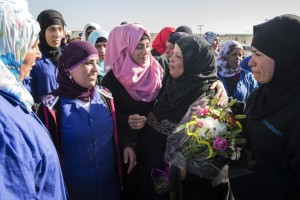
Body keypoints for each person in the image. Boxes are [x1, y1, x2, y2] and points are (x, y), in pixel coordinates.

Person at [135, 35, 228, 200]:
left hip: (181, 189)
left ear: (194, 62)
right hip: (152, 178)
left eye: (178, 56)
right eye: (172, 53)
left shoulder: (209, 98)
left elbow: (216, 157)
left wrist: (184, 171)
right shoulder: (170, 82)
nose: (170, 58)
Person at [37, 41, 121, 199]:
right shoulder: (51, 107)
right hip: (73, 192)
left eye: (97, 62)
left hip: (109, 191)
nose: (96, 69)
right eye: (88, 63)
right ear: (69, 69)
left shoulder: (105, 97)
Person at [0, 0, 67, 199]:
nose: (38, 54)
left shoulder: (12, 101)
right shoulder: (4, 123)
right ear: (11, 45)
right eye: (32, 45)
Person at [230, 14, 300, 200]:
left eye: (258, 54)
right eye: (252, 52)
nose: (250, 61)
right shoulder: (260, 94)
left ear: (285, 56)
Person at [25, 9, 66, 103]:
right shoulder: (33, 58)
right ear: (42, 31)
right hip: (43, 115)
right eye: (52, 29)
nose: (57, 34)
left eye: (60, 29)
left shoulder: (67, 56)